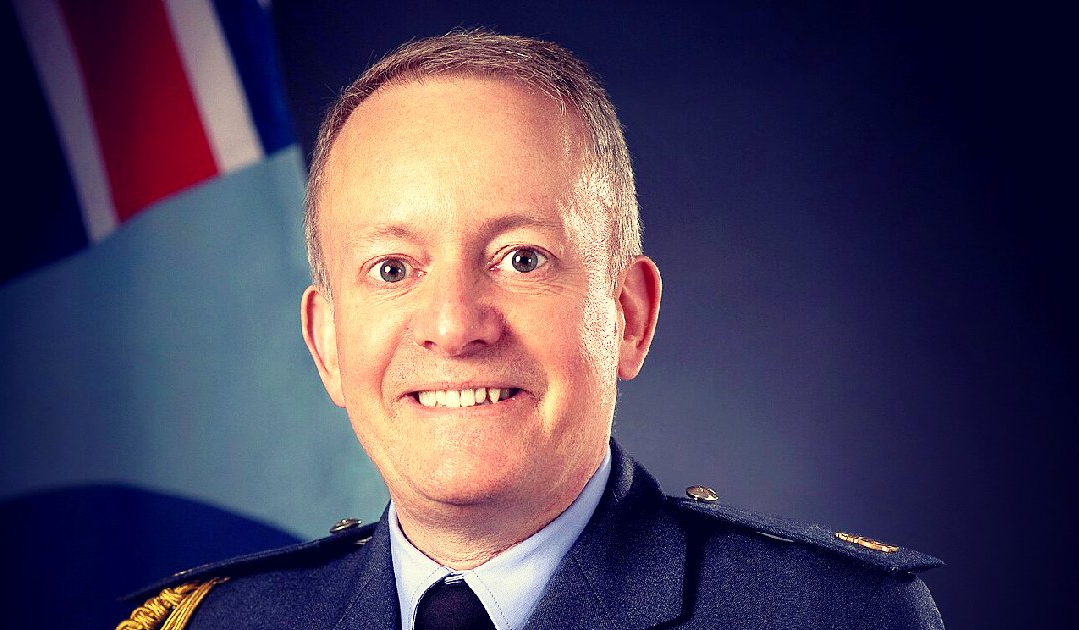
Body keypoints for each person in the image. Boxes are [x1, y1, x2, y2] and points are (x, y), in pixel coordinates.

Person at [118, 30, 943, 629]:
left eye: (520, 259)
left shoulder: (832, 616)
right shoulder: (225, 623)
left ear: (628, 317)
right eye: (394, 269)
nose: (452, 325)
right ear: (327, 343)